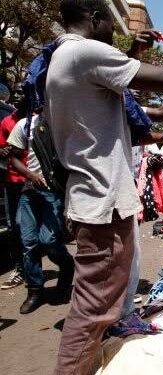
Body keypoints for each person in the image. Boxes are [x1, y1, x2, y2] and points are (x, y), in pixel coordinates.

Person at [46, 1, 163, 373]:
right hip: (101, 199)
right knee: (92, 309)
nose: (113, 32)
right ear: (95, 18)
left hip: (96, 198)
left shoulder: (68, 57)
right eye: (108, 22)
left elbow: (130, 115)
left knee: (100, 305)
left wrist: (135, 53)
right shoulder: (85, 51)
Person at [7, 114, 75, 314]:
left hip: (55, 191)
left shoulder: (65, 120)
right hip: (30, 190)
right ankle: (35, 290)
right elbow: (14, 158)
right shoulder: (26, 124)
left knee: (49, 240)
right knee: (29, 242)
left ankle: (67, 266)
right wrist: (30, 175)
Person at [0, 94, 27, 289]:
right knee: (13, 227)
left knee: (29, 229)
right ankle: (20, 268)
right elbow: (2, 147)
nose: (16, 97)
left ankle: (33, 268)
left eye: (21, 93)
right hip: (12, 182)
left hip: (33, 183)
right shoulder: (6, 121)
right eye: (15, 93)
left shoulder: (37, 120)